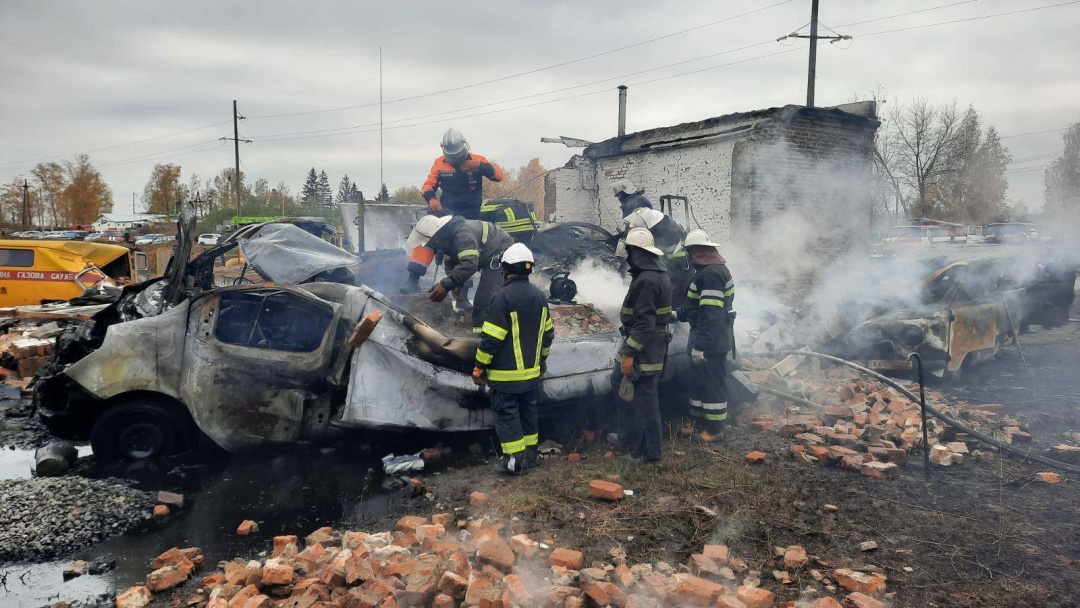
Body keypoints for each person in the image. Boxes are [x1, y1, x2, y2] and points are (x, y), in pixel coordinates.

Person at [472, 243, 554, 475]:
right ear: (529, 269)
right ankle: (530, 457)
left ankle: (514, 462)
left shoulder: (501, 297)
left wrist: (479, 366)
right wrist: (542, 361)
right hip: (531, 375)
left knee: (507, 416)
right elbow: (548, 334)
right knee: (529, 414)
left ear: (505, 269)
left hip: (505, 377)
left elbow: (492, 339)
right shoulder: (539, 296)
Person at [608, 227, 672, 463]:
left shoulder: (646, 280)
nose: (628, 257)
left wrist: (629, 354)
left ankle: (648, 453)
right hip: (649, 343)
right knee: (617, 381)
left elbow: (645, 323)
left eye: (630, 252)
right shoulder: (657, 275)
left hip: (644, 346)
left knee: (645, 397)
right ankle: (628, 436)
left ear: (638, 253)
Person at [406, 214, 514, 335]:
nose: (429, 246)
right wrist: (457, 284)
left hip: (501, 252)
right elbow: (452, 264)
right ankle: (480, 337)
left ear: (435, 237)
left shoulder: (463, 235)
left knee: (485, 300)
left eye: (429, 243)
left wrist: (446, 285)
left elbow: (470, 263)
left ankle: (486, 340)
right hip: (488, 256)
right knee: (483, 303)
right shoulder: (446, 239)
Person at [677, 229, 735, 443]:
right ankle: (699, 423)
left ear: (695, 251)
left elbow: (711, 315)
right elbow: (696, 307)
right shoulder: (706, 271)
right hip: (705, 336)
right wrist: (678, 313)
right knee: (698, 383)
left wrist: (701, 346)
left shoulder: (711, 274)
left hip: (711, 340)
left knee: (712, 384)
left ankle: (715, 429)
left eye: (689, 251)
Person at [422, 128, 506, 220]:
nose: (455, 159)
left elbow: (499, 176)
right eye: (452, 156)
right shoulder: (439, 163)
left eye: (458, 155)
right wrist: (431, 199)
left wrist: (480, 165)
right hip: (448, 214)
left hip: (473, 214)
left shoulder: (477, 159)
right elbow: (428, 185)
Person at [624, 208, 692, 310]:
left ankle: (676, 323)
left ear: (649, 225)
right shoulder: (655, 222)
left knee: (673, 299)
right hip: (668, 266)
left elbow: (676, 263)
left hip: (681, 272)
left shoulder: (671, 233)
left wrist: (664, 286)